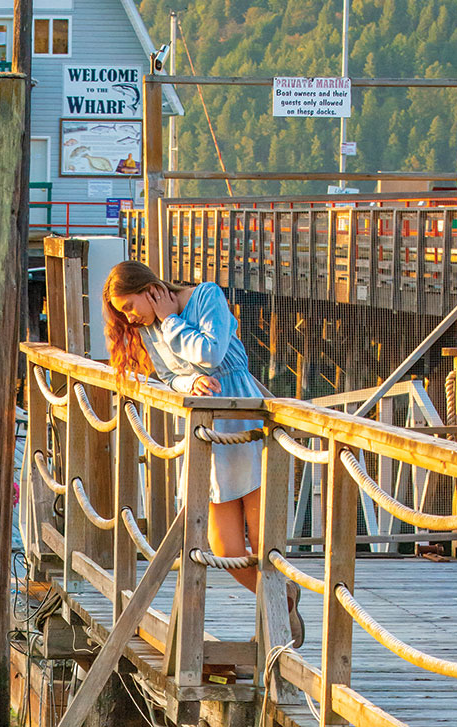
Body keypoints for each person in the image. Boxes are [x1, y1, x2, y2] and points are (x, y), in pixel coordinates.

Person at [102, 261, 303, 647]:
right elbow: (167, 376)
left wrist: (171, 320)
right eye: (123, 312)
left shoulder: (206, 295)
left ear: (150, 289)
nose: (130, 317)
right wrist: (189, 380)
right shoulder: (148, 328)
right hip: (206, 434)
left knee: (263, 545)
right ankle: (285, 599)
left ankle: (272, 635)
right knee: (225, 548)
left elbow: (211, 353)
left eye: (130, 306)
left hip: (246, 422)